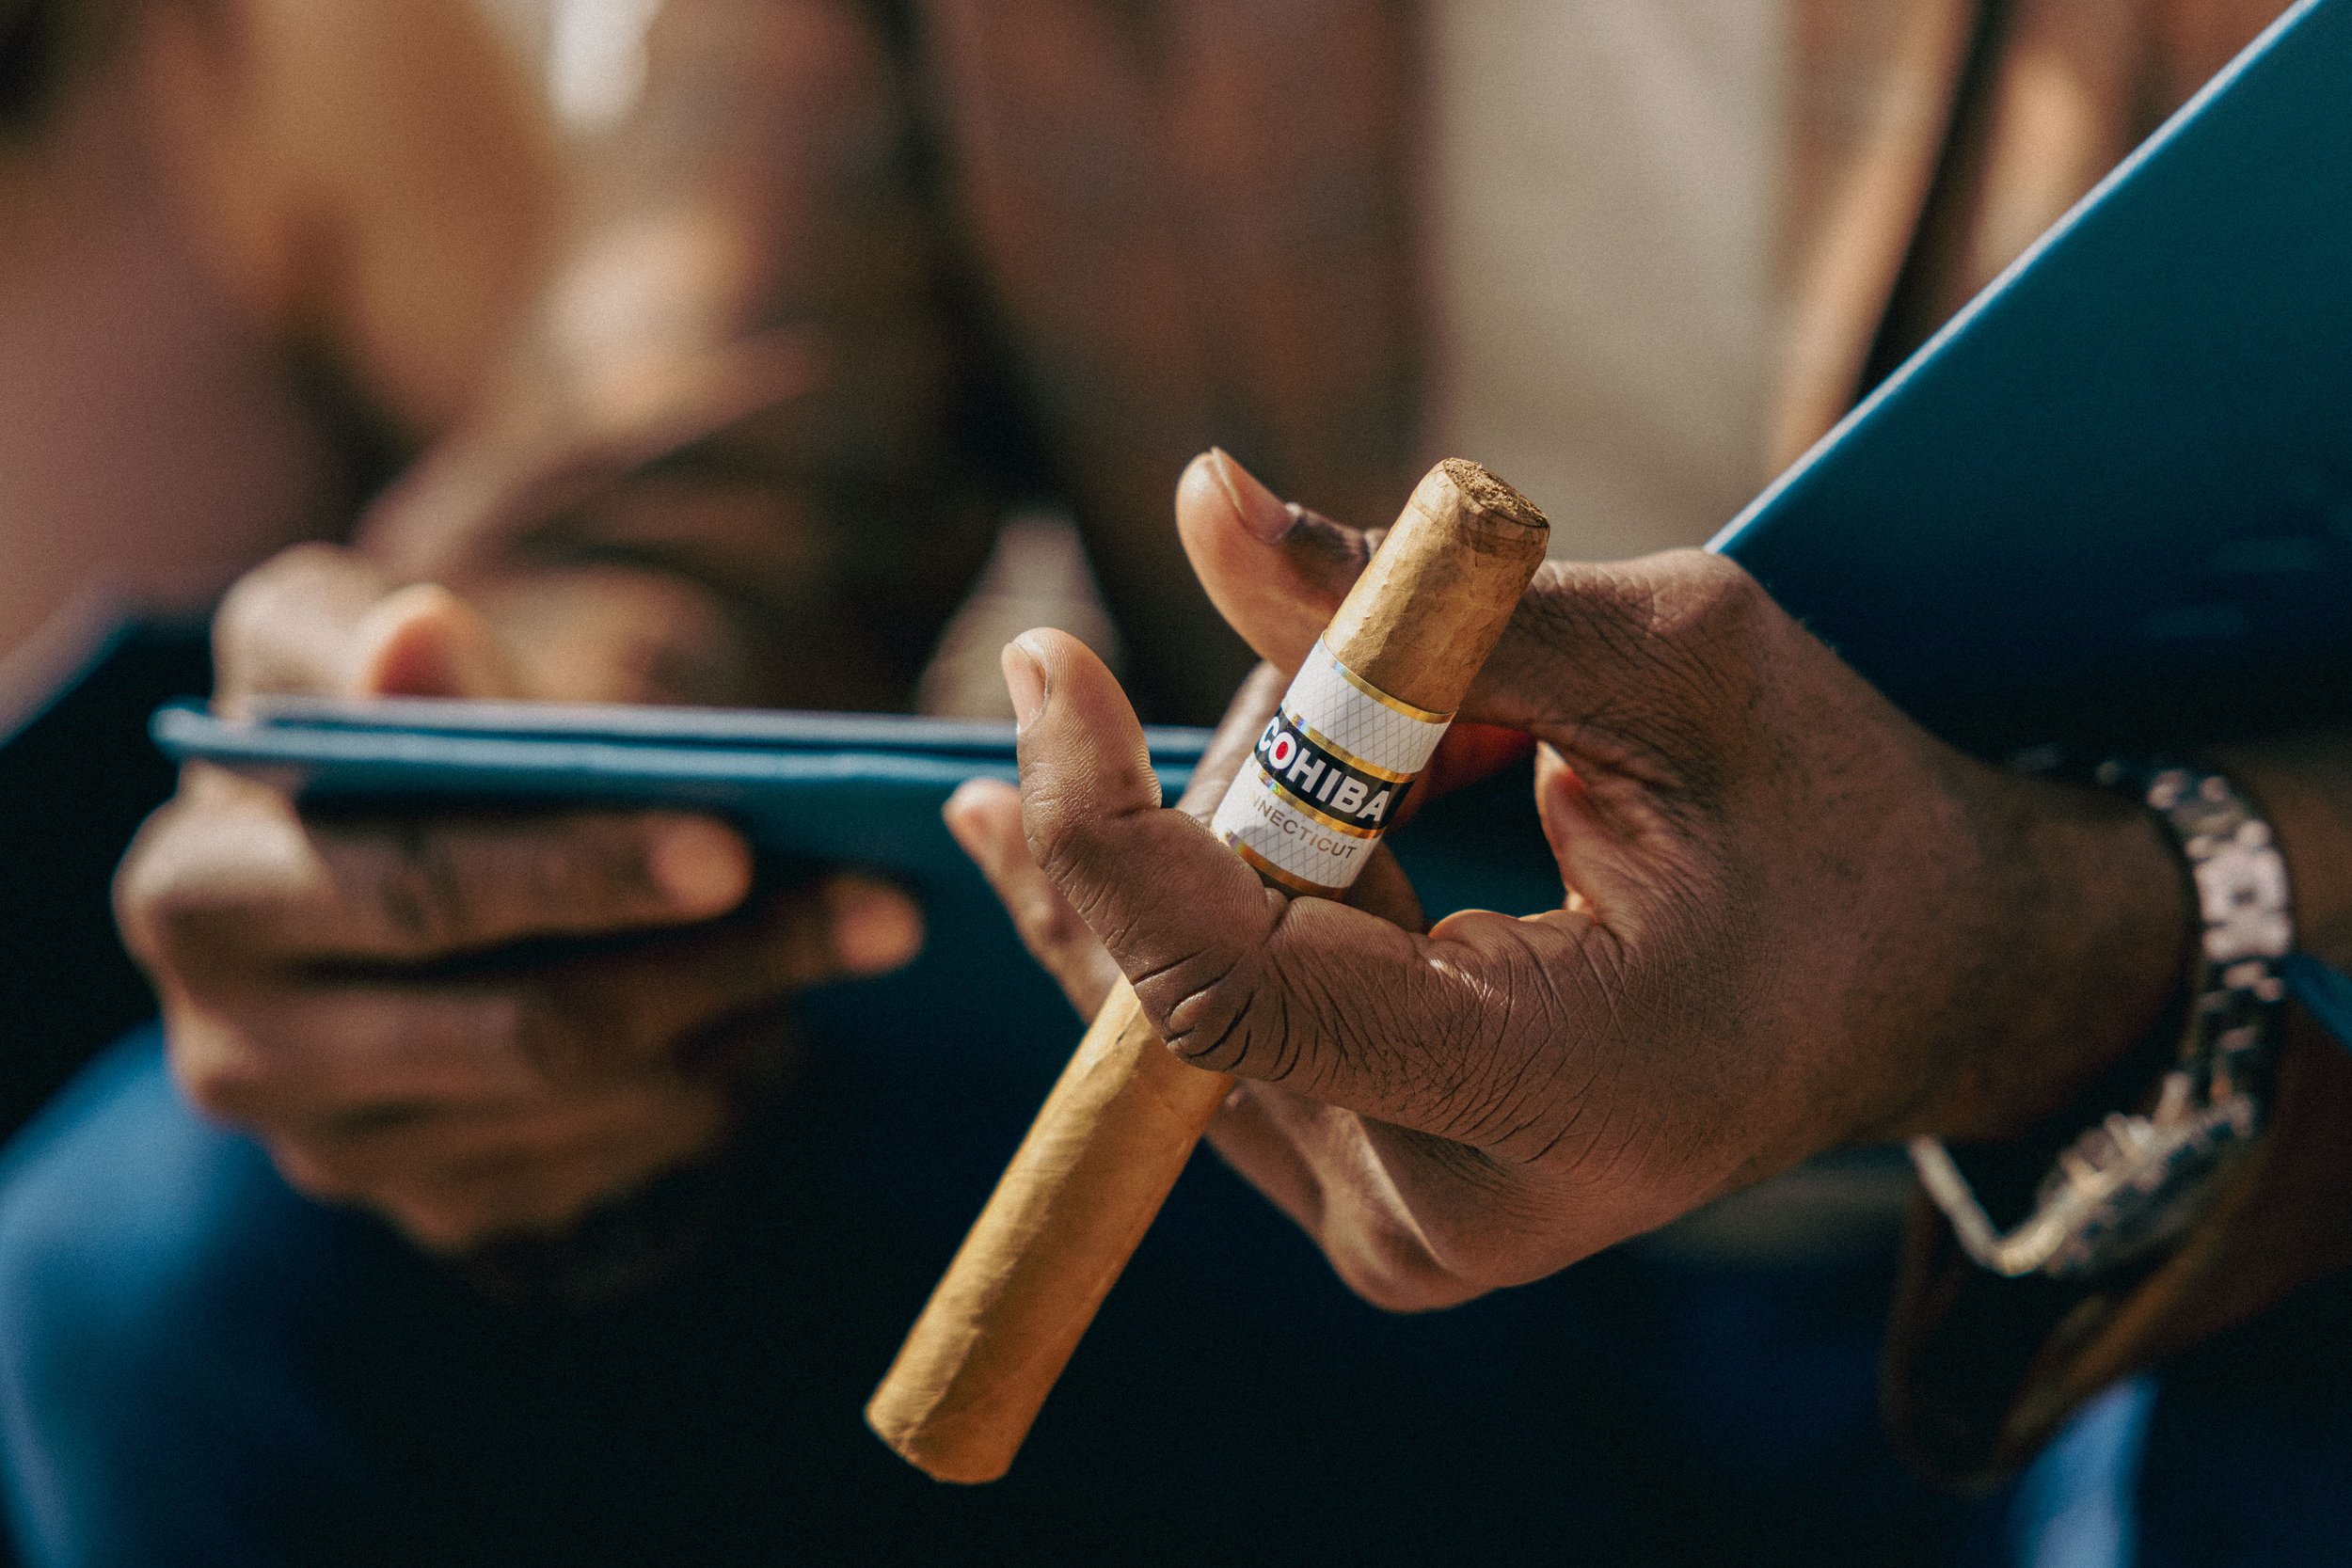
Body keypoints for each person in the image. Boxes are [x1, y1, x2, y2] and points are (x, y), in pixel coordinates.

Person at [0, 0, 2336, 1563]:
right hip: (1269, 1208)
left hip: (2206, 1187)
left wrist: (2071, 941)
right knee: (172, 1276)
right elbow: (698, 486)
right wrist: (469, 749)